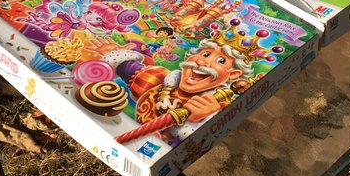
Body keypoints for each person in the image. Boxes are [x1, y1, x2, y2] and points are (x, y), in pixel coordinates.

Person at [103, 36, 253, 143]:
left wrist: (197, 123)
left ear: (233, 74)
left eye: (221, 61)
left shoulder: (216, 110)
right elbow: (125, 66)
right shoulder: (159, 79)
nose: (202, 62)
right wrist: (111, 54)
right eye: (205, 54)